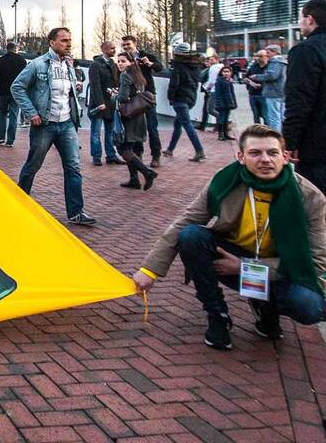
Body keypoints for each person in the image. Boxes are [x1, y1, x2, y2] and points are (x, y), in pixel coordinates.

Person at [133, 125, 326, 349]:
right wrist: (150, 269)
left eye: (272, 153)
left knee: (308, 305)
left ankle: (266, 308)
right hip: (231, 257)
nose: (265, 160)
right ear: (241, 157)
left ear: (285, 157)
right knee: (191, 236)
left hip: (282, 268)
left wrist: (245, 267)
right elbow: (186, 221)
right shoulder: (226, 182)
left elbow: (316, 262)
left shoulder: (311, 198)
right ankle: (218, 316)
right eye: (255, 153)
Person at [11, 27, 97, 226]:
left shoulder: (69, 65)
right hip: (45, 125)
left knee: (73, 167)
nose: (68, 43)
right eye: (64, 40)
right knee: (33, 165)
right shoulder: (38, 64)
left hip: (66, 124)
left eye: (69, 40)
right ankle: (18, 201)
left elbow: (67, 93)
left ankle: (76, 212)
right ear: (52, 42)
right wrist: (31, 112)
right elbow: (17, 87)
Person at [283, 0, 326, 195]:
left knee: (315, 204)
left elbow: (299, 101)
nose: (299, 23)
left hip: (316, 145)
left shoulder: (306, 50)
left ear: (310, 19)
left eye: (300, 18)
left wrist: (289, 142)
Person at [114, 52, 158, 190]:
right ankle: (134, 179)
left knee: (123, 148)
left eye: (123, 61)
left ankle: (146, 172)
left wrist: (113, 95)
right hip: (139, 114)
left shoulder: (125, 75)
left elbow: (122, 97)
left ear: (131, 62)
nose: (120, 63)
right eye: (119, 61)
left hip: (129, 117)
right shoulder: (138, 75)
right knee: (136, 148)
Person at [120, 36, 164, 167]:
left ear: (135, 44)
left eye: (128, 44)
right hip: (133, 98)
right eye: (124, 45)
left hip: (147, 96)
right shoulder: (124, 59)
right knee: (137, 128)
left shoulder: (146, 56)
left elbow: (159, 67)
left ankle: (156, 155)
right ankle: (138, 157)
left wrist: (150, 64)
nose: (126, 47)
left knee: (152, 126)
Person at [163, 42, 206, 162]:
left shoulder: (178, 66)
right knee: (178, 124)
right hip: (190, 98)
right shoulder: (195, 66)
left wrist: (170, 96)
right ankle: (170, 149)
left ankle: (199, 151)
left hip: (180, 98)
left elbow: (174, 83)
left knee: (187, 124)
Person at [87, 41, 122, 166]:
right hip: (99, 104)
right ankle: (96, 156)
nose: (114, 50)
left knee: (110, 131)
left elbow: (116, 82)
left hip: (111, 103)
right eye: (112, 48)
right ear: (104, 49)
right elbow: (94, 85)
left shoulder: (113, 64)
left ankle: (111, 155)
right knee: (96, 131)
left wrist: (116, 92)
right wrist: (100, 102)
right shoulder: (95, 65)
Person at [0, 42, 27, 147]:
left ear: (6, 49)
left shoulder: (0, 60)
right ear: (15, 49)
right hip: (16, 92)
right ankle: (10, 140)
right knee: (13, 115)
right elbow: (25, 77)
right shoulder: (22, 61)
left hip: (3, 91)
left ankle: (1, 138)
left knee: (2, 114)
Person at [248, 44, 287, 131]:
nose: (267, 54)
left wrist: (256, 77)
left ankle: (275, 136)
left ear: (274, 52)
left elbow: (272, 76)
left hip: (273, 92)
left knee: (273, 117)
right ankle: (281, 135)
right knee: (280, 116)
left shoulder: (275, 62)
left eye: (268, 52)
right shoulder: (283, 62)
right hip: (281, 92)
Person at [197, 54, 222, 132]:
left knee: (209, 109)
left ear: (217, 59)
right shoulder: (220, 67)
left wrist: (206, 87)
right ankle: (219, 125)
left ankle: (223, 121)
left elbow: (211, 81)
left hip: (212, 91)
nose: (210, 61)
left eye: (211, 59)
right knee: (211, 108)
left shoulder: (213, 68)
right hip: (216, 91)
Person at [213, 66, 238, 141]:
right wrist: (219, 104)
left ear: (230, 73)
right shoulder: (219, 81)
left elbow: (231, 93)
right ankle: (220, 134)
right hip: (222, 104)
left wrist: (233, 103)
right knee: (221, 118)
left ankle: (225, 133)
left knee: (226, 119)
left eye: (228, 72)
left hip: (228, 103)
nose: (226, 73)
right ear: (221, 72)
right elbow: (218, 94)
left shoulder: (229, 81)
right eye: (224, 71)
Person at [246, 50, 269, 125]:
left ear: (266, 57)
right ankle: (257, 132)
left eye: (261, 56)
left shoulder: (269, 67)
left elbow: (271, 79)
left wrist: (262, 85)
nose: (258, 58)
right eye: (257, 56)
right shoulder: (253, 66)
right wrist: (250, 83)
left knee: (265, 115)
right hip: (252, 94)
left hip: (264, 94)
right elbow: (246, 77)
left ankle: (266, 131)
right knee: (255, 115)